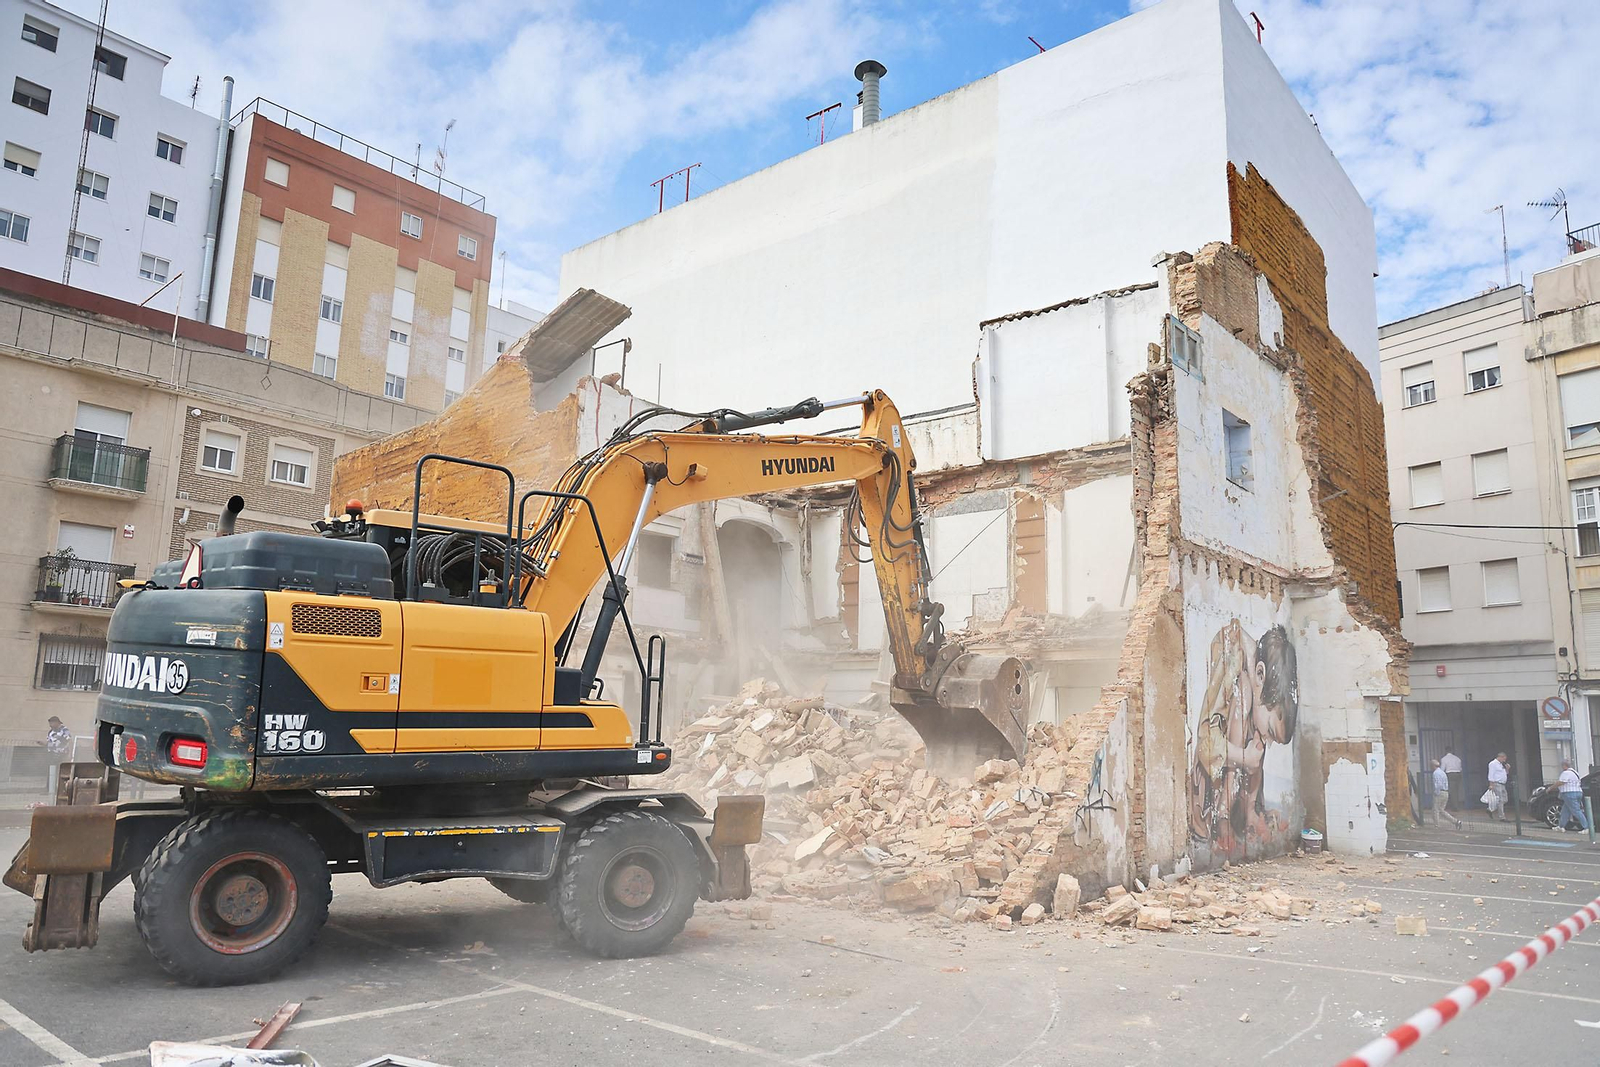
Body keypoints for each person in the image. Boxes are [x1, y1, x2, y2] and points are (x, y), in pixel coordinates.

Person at [1557, 759, 1591, 834]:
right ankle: (1561, 826)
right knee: (1565, 810)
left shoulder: (1566, 773)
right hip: (1578, 792)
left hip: (1569, 793)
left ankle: (1586, 827)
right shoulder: (1575, 772)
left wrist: (1551, 787)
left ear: (1564, 766)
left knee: (1576, 811)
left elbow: (1561, 782)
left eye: (1562, 766)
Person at [1430, 759, 1462, 829]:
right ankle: (1456, 821)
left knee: (1435, 810)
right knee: (1441, 810)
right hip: (1446, 792)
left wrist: (1436, 792)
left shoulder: (1436, 773)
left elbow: (1438, 784)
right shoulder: (1442, 772)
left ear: (1432, 766)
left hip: (1440, 792)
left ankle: (1436, 826)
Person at [44, 715, 71, 796]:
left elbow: (68, 739)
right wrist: (44, 744)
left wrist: (59, 741)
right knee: (50, 771)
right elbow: (49, 742)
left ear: (57, 722)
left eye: (52, 723)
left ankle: (61, 788)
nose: (50, 725)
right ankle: (49, 788)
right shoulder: (50, 732)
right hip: (51, 753)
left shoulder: (64, 730)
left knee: (60, 771)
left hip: (61, 753)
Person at [1486, 752, 1509, 820]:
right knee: (1500, 800)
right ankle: (1502, 817)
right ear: (1500, 757)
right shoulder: (1493, 764)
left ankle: (1490, 809)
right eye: (1503, 759)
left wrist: (1507, 768)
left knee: (1505, 799)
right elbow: (1491, 774)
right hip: (1497, 783)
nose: (1504, 761)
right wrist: (1491, 785)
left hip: (1503, 784)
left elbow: (1505, 773)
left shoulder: (1501, 764)